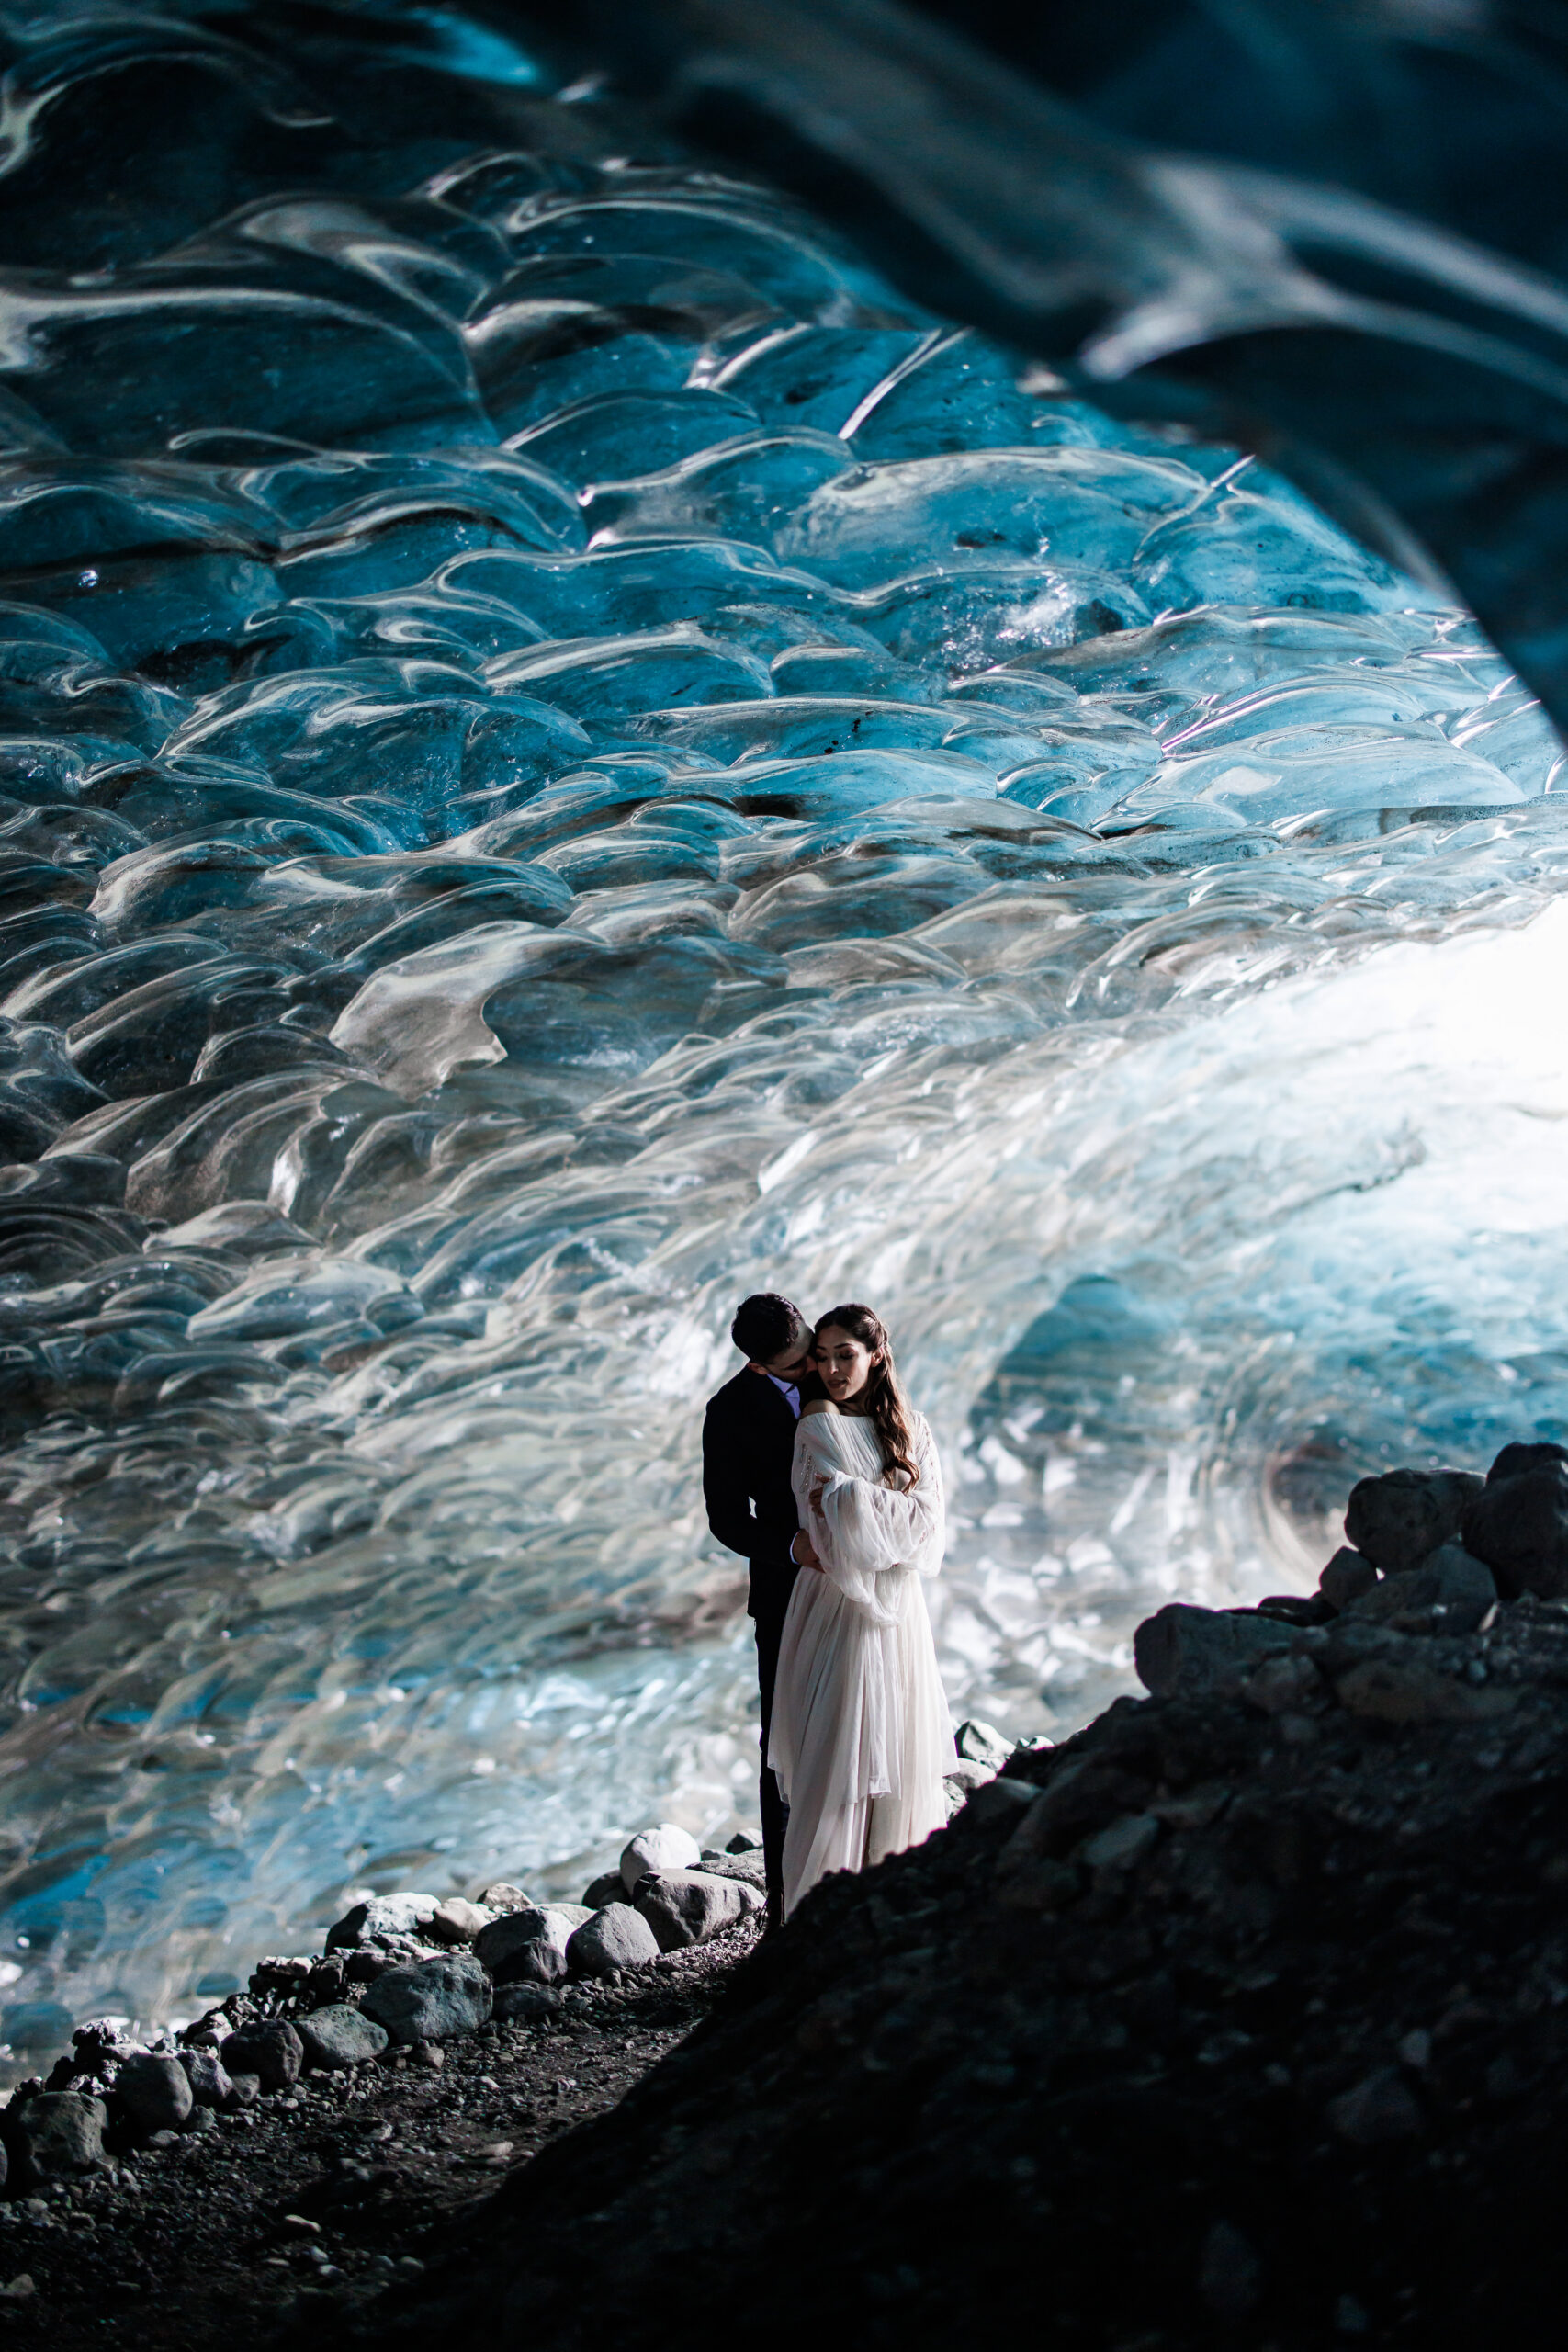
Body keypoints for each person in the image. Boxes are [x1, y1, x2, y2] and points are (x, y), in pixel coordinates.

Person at [768, 1302, 954, 1918]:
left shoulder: (914, 1427)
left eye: (843, 1355)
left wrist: (859, 1509)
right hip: (837, 1606)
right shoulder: (814, 1424)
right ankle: (812, 1922)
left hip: (899, 1611)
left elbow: (929, 1532)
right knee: (833, 1767)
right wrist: (875, 1516)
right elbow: (828, 1531)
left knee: (898, 1761)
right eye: (819, 1358)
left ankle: (890, 1916)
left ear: (874, 1355)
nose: (829, 1370)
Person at [702, 1293, 823, 1920]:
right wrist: (790, 1547)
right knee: (781, 1741)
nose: (809, 1371)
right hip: (784, 1586)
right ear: (758, 1366)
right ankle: (784, 1900)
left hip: (863, 1577)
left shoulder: (837, 1358)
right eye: (792, 1366)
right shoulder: (726, 1411)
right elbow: (725, 1519)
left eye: (808, 1356)